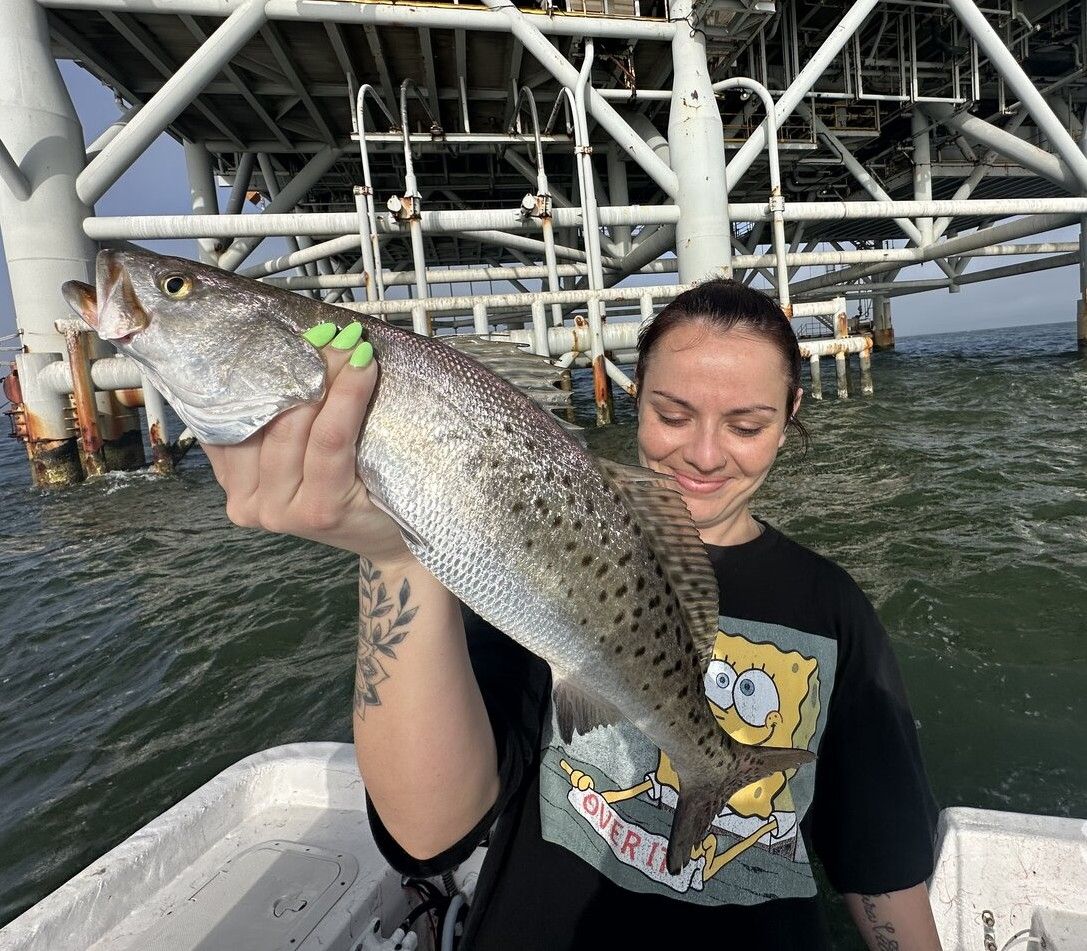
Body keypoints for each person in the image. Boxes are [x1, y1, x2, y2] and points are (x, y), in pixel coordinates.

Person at [204, 279, 942, 950]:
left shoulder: (831, 604)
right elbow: (428, 837)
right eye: (671, 413)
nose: (705, 453)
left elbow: (879, 864)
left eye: (746, 425)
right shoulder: (517, 563)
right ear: (634, 395)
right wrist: (393, 553)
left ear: (790, 416)